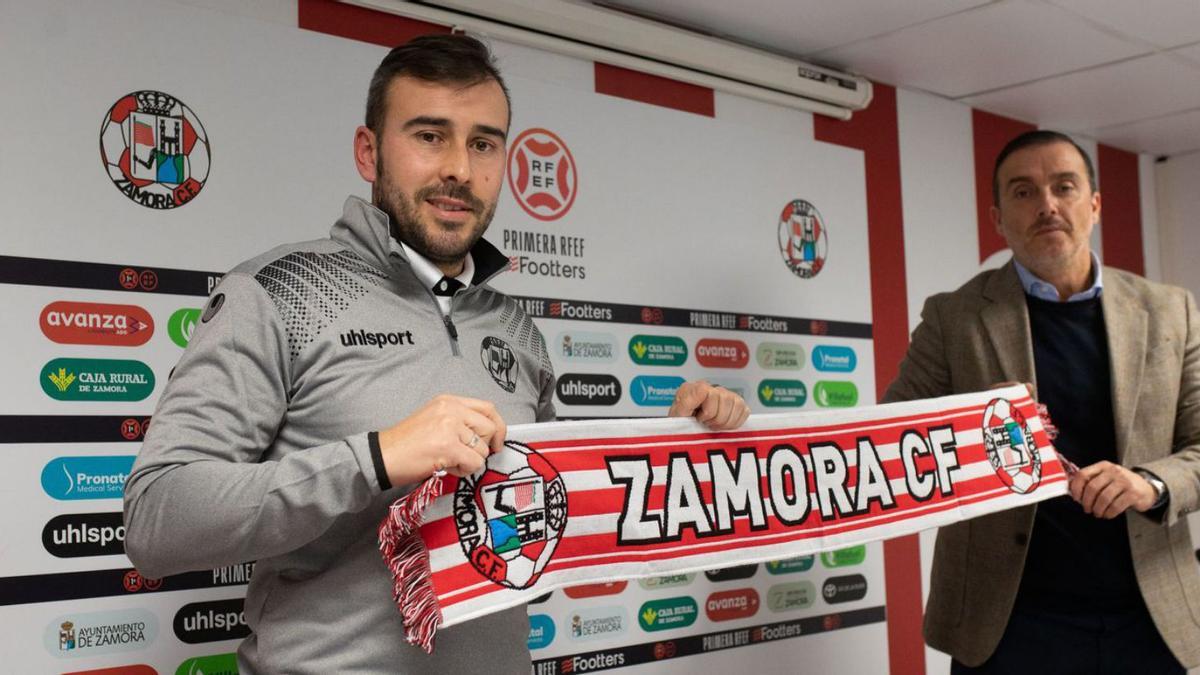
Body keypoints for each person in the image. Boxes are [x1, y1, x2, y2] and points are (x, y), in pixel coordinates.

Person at [123, 34, 749, 674]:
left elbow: (552, 508)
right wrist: (378, 456)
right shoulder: (279, 294)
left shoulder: (513, 325)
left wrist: (674, 447)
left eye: (482, 143)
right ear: (369, 153)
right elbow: (157, 521)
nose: (458, 168)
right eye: (429, 136)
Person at [885, 130, 1200, 674]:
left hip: (1148, 620)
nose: (1047, 204)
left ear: (1095, 204)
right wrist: (972, 428)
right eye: (1024, 191)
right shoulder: (953, 317)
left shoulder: (1172, 310)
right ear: (998, 217)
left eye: (1064, 186)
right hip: (1007, 627)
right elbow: (891, 444)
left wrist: (1148, 484)